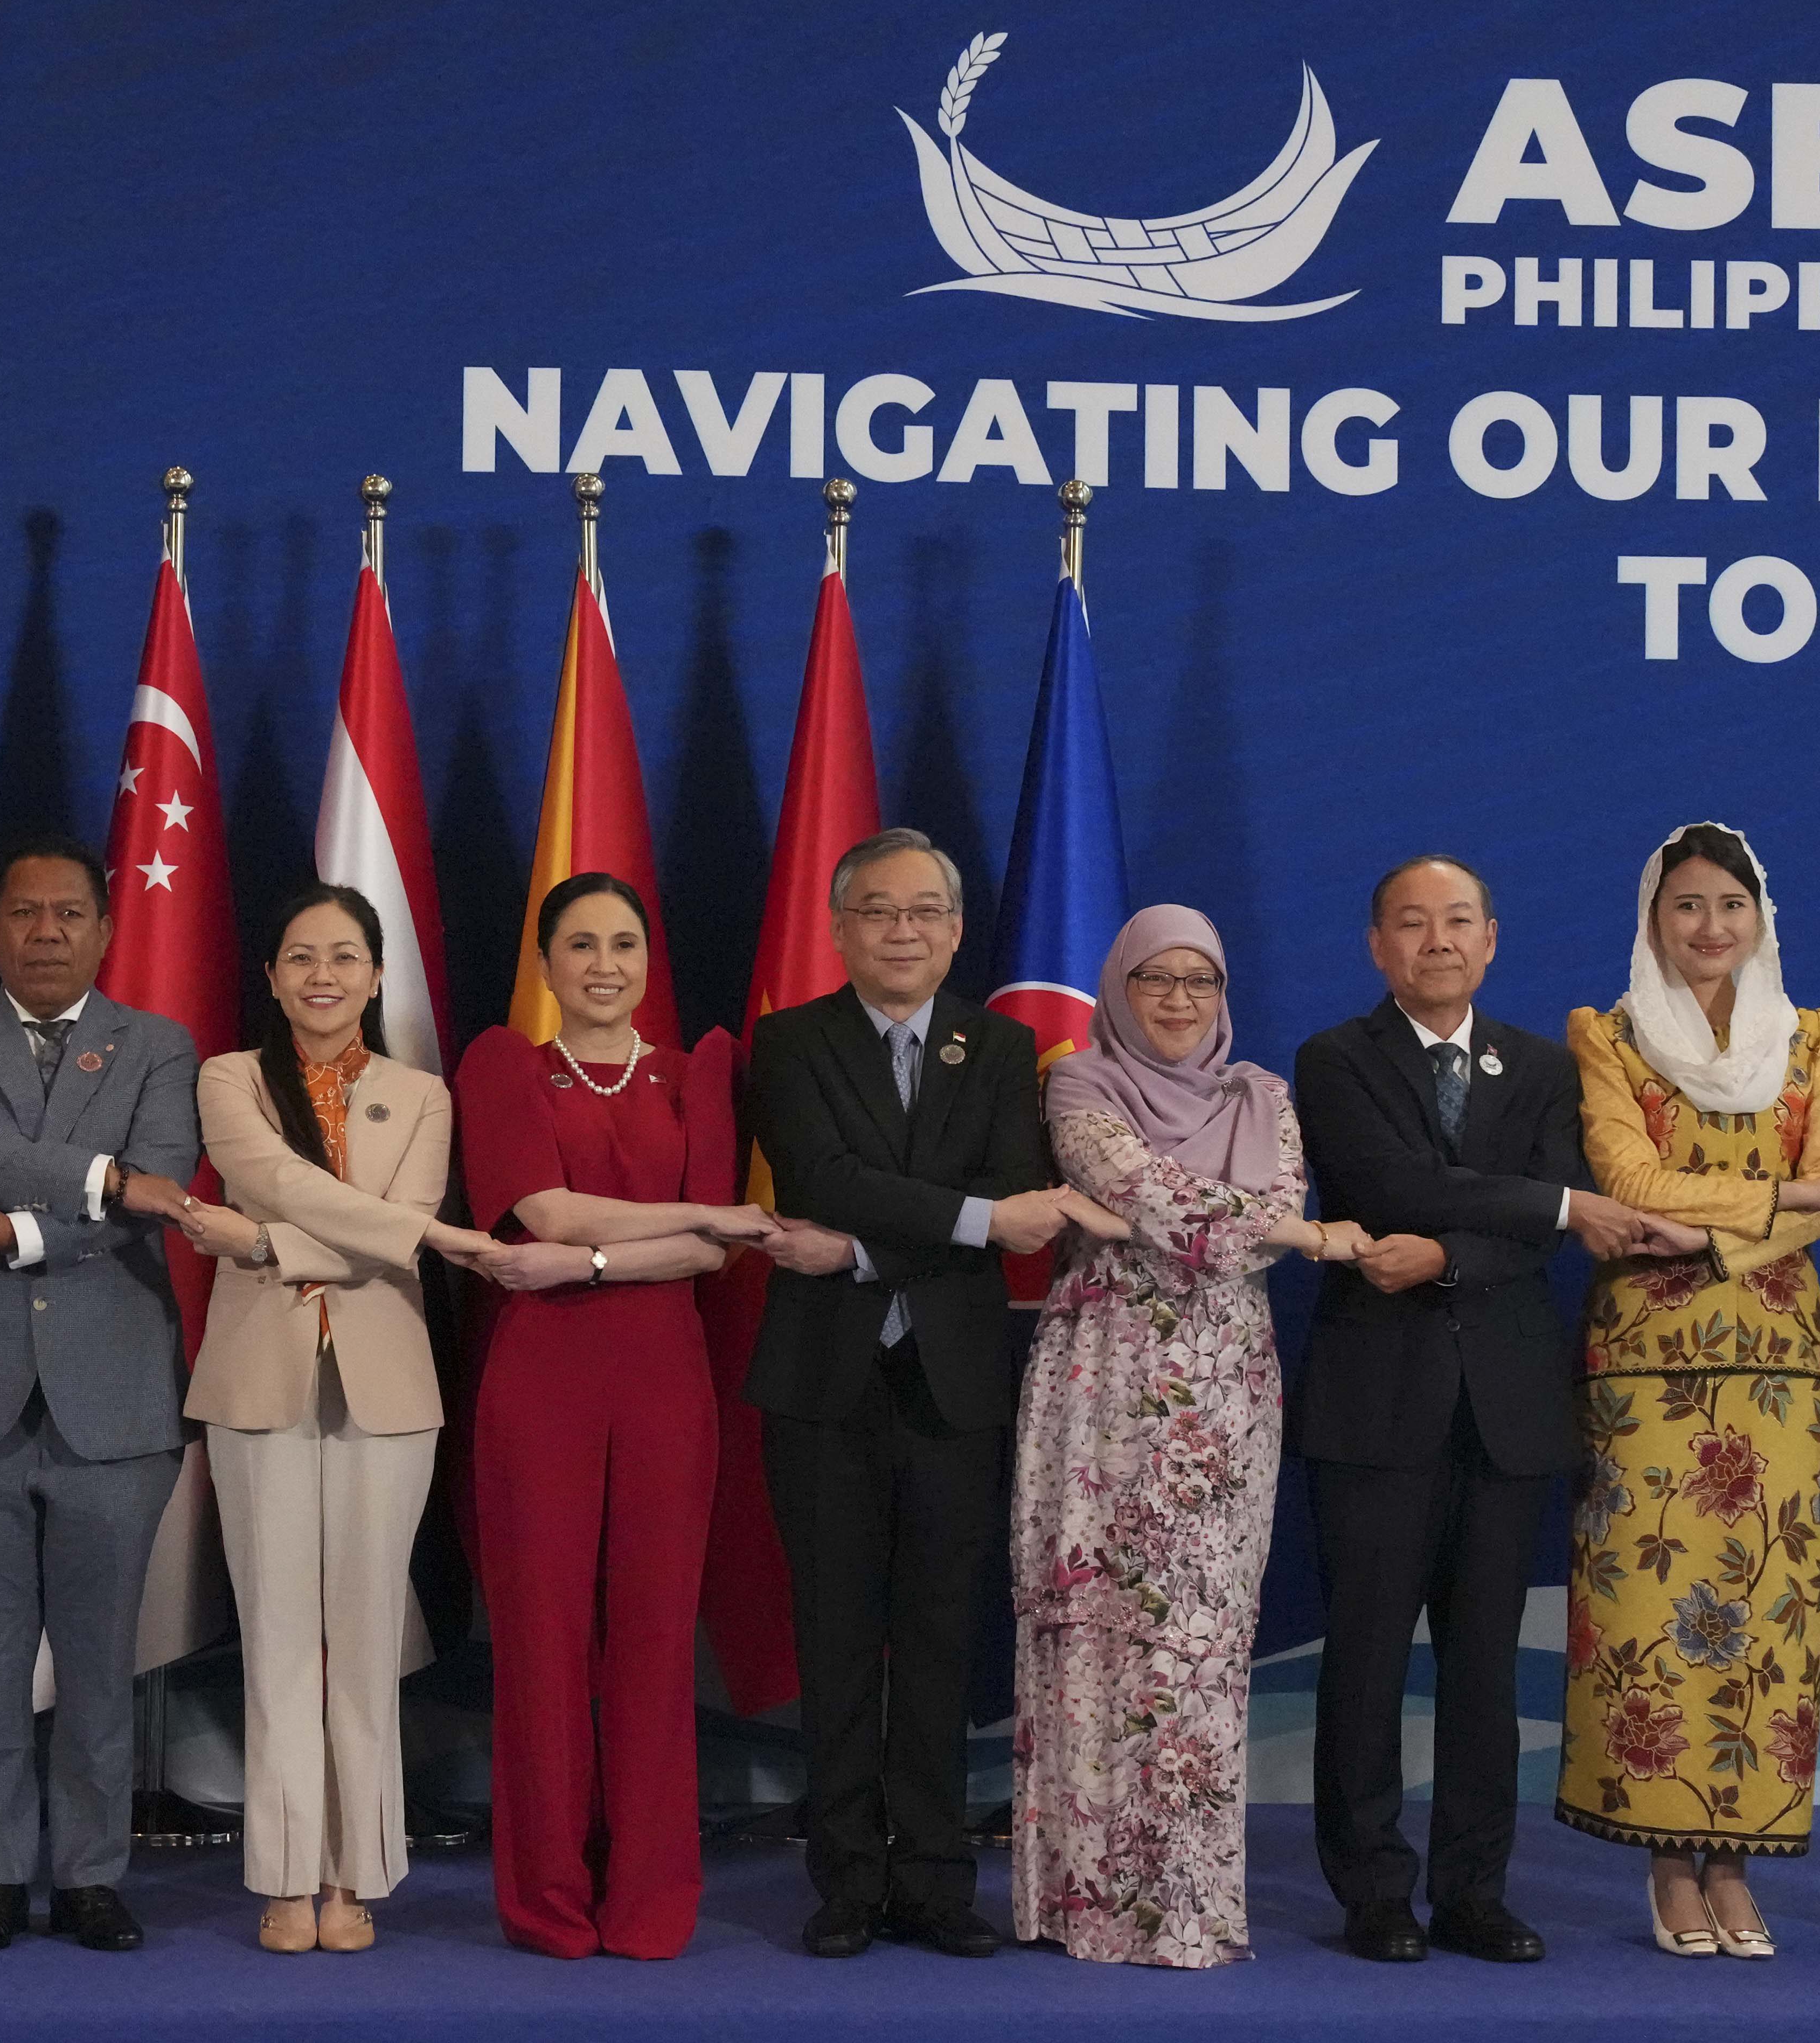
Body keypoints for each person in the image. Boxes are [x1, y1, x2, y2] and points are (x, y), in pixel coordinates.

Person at [1291, 856, 1692, 1968]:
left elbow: (1531, 1234)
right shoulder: (1334, 1058)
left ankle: (1474, 1891)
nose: (1437, 940)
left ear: (1490, 938)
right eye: (1412, 923)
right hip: (1376, 1404)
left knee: (1483, 1672)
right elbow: (1393, 1185)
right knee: (1366, 1660)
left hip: (1507, 1410)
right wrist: (1552, 1206)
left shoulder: (1545, 1065)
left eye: (1457, 921)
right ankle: (1373, 1890)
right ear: (1377, 945)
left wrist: (1452, 1254)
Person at [1011, 905, 1353, 1968]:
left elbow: (1228, 1222)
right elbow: (1153, 1192)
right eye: (1153, 978)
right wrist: (1299, 1232)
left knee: (1199, 1641)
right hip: (1102, 1382)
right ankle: (1084, 1902)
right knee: (1092, 1628)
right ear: (1119, 987)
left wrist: (1249, 1225)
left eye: (1198, 979)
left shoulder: (1262, 1095)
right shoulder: (1078, 1082)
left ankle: (1186, 1906)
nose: (1176, 999)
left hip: (1224, 1397)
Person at [1558, 823, 1820, 1959]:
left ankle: (1735, 1864)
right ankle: (1664, 1862)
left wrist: (1708, 1233)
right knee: (1650, 1616)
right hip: (1646, 1367)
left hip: (1781, 1368)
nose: (1709, 926)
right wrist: (1783, 1201)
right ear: (1653, 918)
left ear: (1760, 917)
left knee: (1767, 1615)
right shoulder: (1607, 1035)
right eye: (1685, 905)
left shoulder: (1815, 1038)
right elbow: (1627, 1178)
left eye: (1730, 905)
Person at [742, 831, 1052, 1961]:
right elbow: (822, 1177)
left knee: (936, 1641)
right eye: (878, 910)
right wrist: (967, 1219)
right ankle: (844, 1881)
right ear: (840, 927)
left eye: (925, 911)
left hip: (952, 1383)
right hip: (821, 1384)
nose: (903, 930)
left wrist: (863, 1250)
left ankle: (931, 1879)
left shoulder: (1003, 1045)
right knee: (835, 1642)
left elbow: (1016, 1191)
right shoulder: (788, 1040)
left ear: (957, 931)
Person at [0, 836, 203, 1955]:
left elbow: (165, 1178)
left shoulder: (159, 1045)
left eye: (69, 912)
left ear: (105, 928)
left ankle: (88, 1874)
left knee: (98, 1663)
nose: (46, 932)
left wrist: (19, 1231)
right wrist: (101, 1179)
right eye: (23, 912)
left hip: (115, 1398)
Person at [179, 882, 498, 1952]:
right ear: (271, 976)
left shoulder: (422, 1093)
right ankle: (282, 1875)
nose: (323, 974)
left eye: (345, 955)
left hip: (387, 1384)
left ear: (375, 975)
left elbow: (401, 1223)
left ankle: (353, 1873)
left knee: (365, 1639)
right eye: (301, 956)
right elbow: (270, 1176)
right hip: (257, 1379)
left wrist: (264, 1243)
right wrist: (406, 1237)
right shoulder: (230, 1077)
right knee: (275, 1634)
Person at [455, 871, 758, 1960]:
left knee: (655, 1641)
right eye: (579, 943)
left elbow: (712, 1253)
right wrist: (685, 1218)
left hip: (666, 1383)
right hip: (540, 1385)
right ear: (545, 963)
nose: (602, 964)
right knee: (540, 1643)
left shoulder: (698, 1070)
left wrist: (584, 1261)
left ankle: (645, 1896)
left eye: (623, 943)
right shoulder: (506, 1064)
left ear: (647, 959)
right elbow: (542, 1208)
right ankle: (547, 1898)